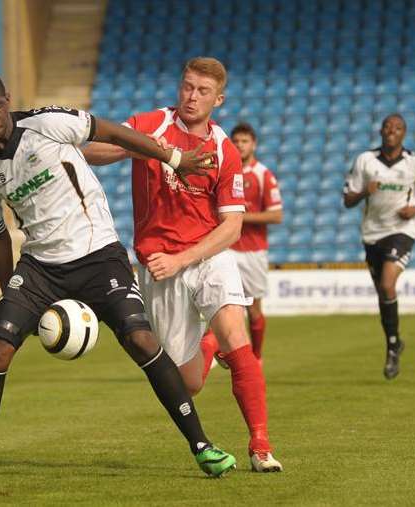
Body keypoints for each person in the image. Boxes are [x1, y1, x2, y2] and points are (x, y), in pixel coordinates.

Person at [0, 69, 236, 481]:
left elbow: (114, 133)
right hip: (40, 267)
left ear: (7, 100)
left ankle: (202, 446)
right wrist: (8, 293)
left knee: (141, 339)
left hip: (98, 254)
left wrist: (174, 158)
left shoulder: (47, 123)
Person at [82, 57, 282, 472]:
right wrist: (131, 145)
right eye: (187, 87)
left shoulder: (223, 149)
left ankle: (260, 446)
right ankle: (207, 345)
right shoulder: (151, 122)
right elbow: (90, 152)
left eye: (203, 91)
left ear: (218, 99)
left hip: (206, 255)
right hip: (157, 266)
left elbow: (232, 227)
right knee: (187, 383)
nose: (192, 96)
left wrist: (182, 259)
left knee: (236, 336)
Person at [343, 113, 415, 379]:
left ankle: (391, 349)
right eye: (388, 126)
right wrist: (365, 191)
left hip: (401, 231)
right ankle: (394, 341)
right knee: (383, 292)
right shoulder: (365, 161)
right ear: (381, 131)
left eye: (398, 127)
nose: (392, 130)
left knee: (388, 284)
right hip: (371, 235)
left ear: (404, 133)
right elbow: (347, 200)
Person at [201, 122, 283, 369]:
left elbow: (276, 215)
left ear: (254, 144)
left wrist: (238, 215)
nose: (240, 145)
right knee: (220, 306)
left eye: (244, 141)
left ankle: (256, 357)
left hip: (254, 252)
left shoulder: (263, 175)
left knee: (255, 308)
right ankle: (214, 353)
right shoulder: (223, 170)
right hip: (226, 249)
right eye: (236, 141)